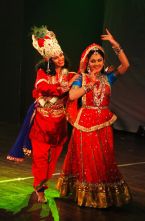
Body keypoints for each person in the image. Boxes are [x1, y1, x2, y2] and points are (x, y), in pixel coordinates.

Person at [57, 29, 132, 208]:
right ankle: (87, 195)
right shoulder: (81, 78)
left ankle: (103, 194)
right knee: (88, 160)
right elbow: (73, 96)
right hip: (85, 124)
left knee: (104, 159)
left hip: (104, 123)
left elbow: (126, 66)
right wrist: (88, 86)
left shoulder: (108, 78)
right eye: (93, 61)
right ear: (87, 62)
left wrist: (115, 44)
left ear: (103, 61)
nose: (97, 63)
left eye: (99, 60)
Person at [7, 26, 78, 203]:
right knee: (40, 159)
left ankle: (43, 181)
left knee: (52, 161)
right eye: (55, 57)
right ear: (48, 59)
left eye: (61, 55)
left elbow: (82, 82)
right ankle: (39, 188)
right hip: (41, 124)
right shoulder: (42, 73)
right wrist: (63, 88)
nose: (60, 59)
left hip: (59, 126)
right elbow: (41, 87)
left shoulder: (69, 75)